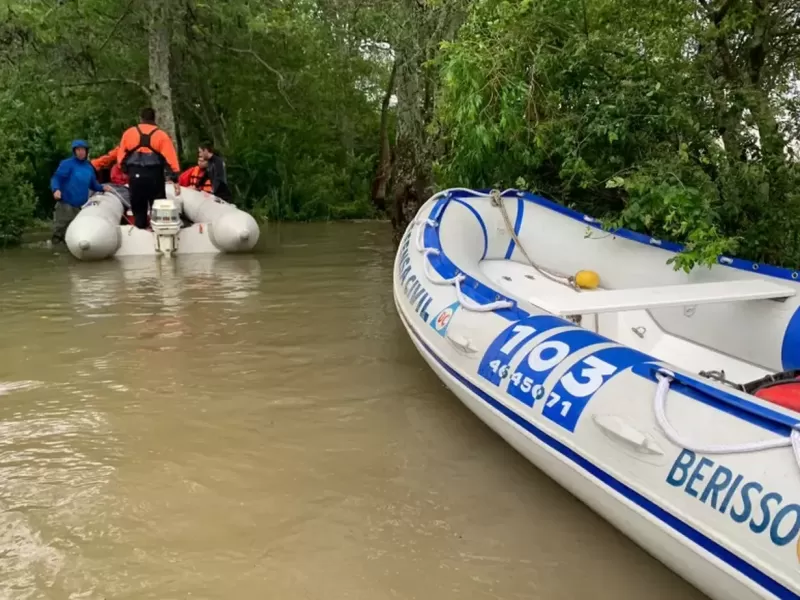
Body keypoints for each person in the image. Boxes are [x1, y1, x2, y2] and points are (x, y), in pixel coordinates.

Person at [117, 107, 181, 229]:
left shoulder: (129, 133)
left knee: (139, 209)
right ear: (154, 118)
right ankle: (160, 234)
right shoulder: (161, 135)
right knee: (159, 207)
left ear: (141, 118)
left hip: (135, 176)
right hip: (155, 176)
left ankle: (140, 230)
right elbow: (171, 159)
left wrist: (126, 170)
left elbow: (121, 158)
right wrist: (175, 179)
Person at [50, 140, 111, 245]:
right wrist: (56, 189)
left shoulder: (88, 167)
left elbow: (93, 184)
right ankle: (56, 255)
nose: (80, 152)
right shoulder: (67, 164)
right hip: (65, 204)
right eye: (78, 150)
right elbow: (56, 178)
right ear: (74, 151)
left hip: (80, 207)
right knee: (59, 234)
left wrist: (102, 188)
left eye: (83, 150)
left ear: (86, 151)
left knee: (74, 235)